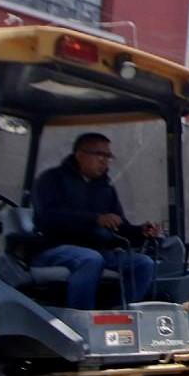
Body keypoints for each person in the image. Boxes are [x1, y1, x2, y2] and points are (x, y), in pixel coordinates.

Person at [30, 132, 160, 310]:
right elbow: (49, 217)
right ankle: (82, 317)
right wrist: (95, 219)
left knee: (144, 263)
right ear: (80, 155)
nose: (105, 161)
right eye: (100, 154)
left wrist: (140, 232)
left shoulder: (105, 188)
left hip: (97, 250)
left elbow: (119, 226)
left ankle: (119, 313)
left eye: (108, 156)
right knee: (90, 260)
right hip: (54, 247)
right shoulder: (52, 179)